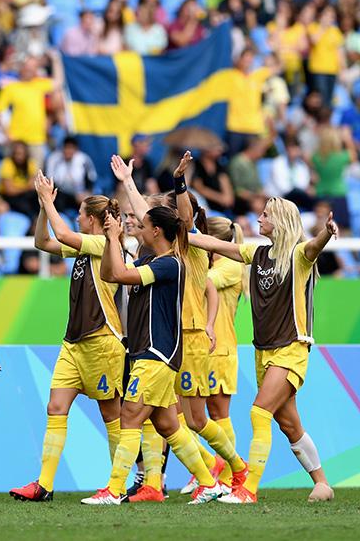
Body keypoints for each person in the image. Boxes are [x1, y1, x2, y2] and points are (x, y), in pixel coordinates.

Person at [186, 196, 337, 504]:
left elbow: (314, 247)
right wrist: (178, 233)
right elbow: (215, 246)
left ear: (279, 220)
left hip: (291, 349)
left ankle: (248, 489)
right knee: (289, 424)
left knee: (259, 412)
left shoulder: (298, 255)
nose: (259, 219)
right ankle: (322, 483)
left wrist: (326, 232)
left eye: (265, 215)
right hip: (264, 351)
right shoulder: (256, 253)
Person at [114, 152, 247, 501]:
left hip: (189, 338)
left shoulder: (190, 243)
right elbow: (146, 215)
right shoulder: (163, 248)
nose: (143, 221)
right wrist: (128, 181)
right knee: (161, 417)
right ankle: (156, 484)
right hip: (169, 338)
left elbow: (182, 218)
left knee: (196, 420)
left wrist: (179, 181)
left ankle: (234, 466)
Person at [81, 204, 223, 506]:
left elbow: (118, 273)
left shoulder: (169, 264)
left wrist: (116, 238)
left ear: (156, 230)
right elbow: (111, 274)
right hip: (150, 353)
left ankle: (115, 489)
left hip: (156, 354)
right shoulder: (159, 261)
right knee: (168, 425)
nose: (139, 229)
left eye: (143, 225)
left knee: (129, 416)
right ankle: (210, 482)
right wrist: (111, 241)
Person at [9, 176, 126, 502]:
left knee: (110, 415)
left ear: (92, 219)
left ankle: (118, 486)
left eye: (79, 213)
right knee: (56, 407)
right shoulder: (84, 249)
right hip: (74, 344)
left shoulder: (104, 244)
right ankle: (43, 485)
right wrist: (44, 208)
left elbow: (61, 234)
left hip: (103, 341)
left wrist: (48, 199)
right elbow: (42, 241)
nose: (76, 217)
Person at [202, 216, 246, 477]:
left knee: (218, 414)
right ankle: (211, 466)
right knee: (190, 414)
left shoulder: (230, 266)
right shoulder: (213, 263)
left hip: (220, 348)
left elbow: (200, 282)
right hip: (202, 347)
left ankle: (229, 474)